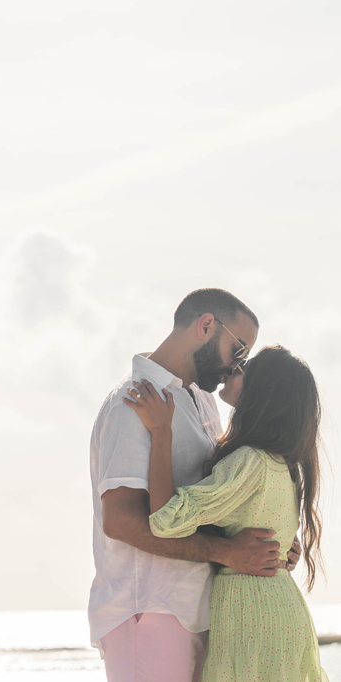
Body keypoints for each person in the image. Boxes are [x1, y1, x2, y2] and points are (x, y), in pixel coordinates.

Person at [88, 288, 301, 682]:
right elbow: (120, 522)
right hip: (150, 611)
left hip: (203, 610)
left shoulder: (202, 404)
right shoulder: (134, 401)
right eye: (238, 351)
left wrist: (265, 539)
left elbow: (210, 501)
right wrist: (227, 552)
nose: (237, 367)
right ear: (206, 326)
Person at [125, 345, 326, 682]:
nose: (233, 367)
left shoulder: (250, 460)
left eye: (245, 365)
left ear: (261, 389)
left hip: (251, 616)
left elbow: (165, 519)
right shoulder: (284, 464)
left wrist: (161, 431)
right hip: (281, 608)